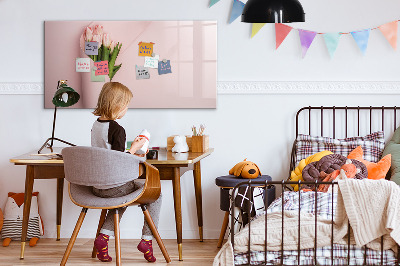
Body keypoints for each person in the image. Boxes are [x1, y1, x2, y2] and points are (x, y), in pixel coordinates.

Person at [91, 82, 161, 263]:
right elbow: (119, 160)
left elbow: (108, 154)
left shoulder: (96, 125)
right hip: (114, 186)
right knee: (156, 194)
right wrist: (136, 148)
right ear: (117, 105)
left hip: (97, 186)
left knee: (121, 197)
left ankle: (103, 238)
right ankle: (147, 240)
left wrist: (130, 149)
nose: (126, 110)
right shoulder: (117, 129)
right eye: (126, 105)